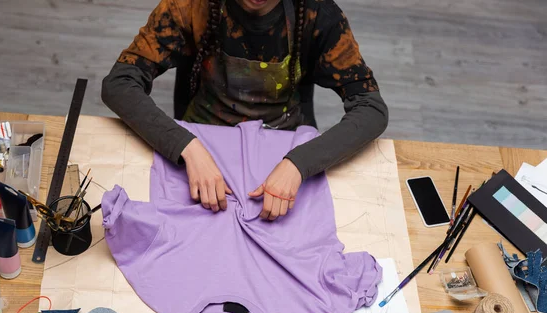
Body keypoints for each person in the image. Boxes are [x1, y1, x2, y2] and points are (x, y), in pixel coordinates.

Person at [102, 0, 388, 220]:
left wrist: (299, 163)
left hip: (281, 143)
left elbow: (370, 108)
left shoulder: (318, 14)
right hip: (203, 142)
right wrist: (185, 146)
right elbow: (119, 84)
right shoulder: (190, 6)